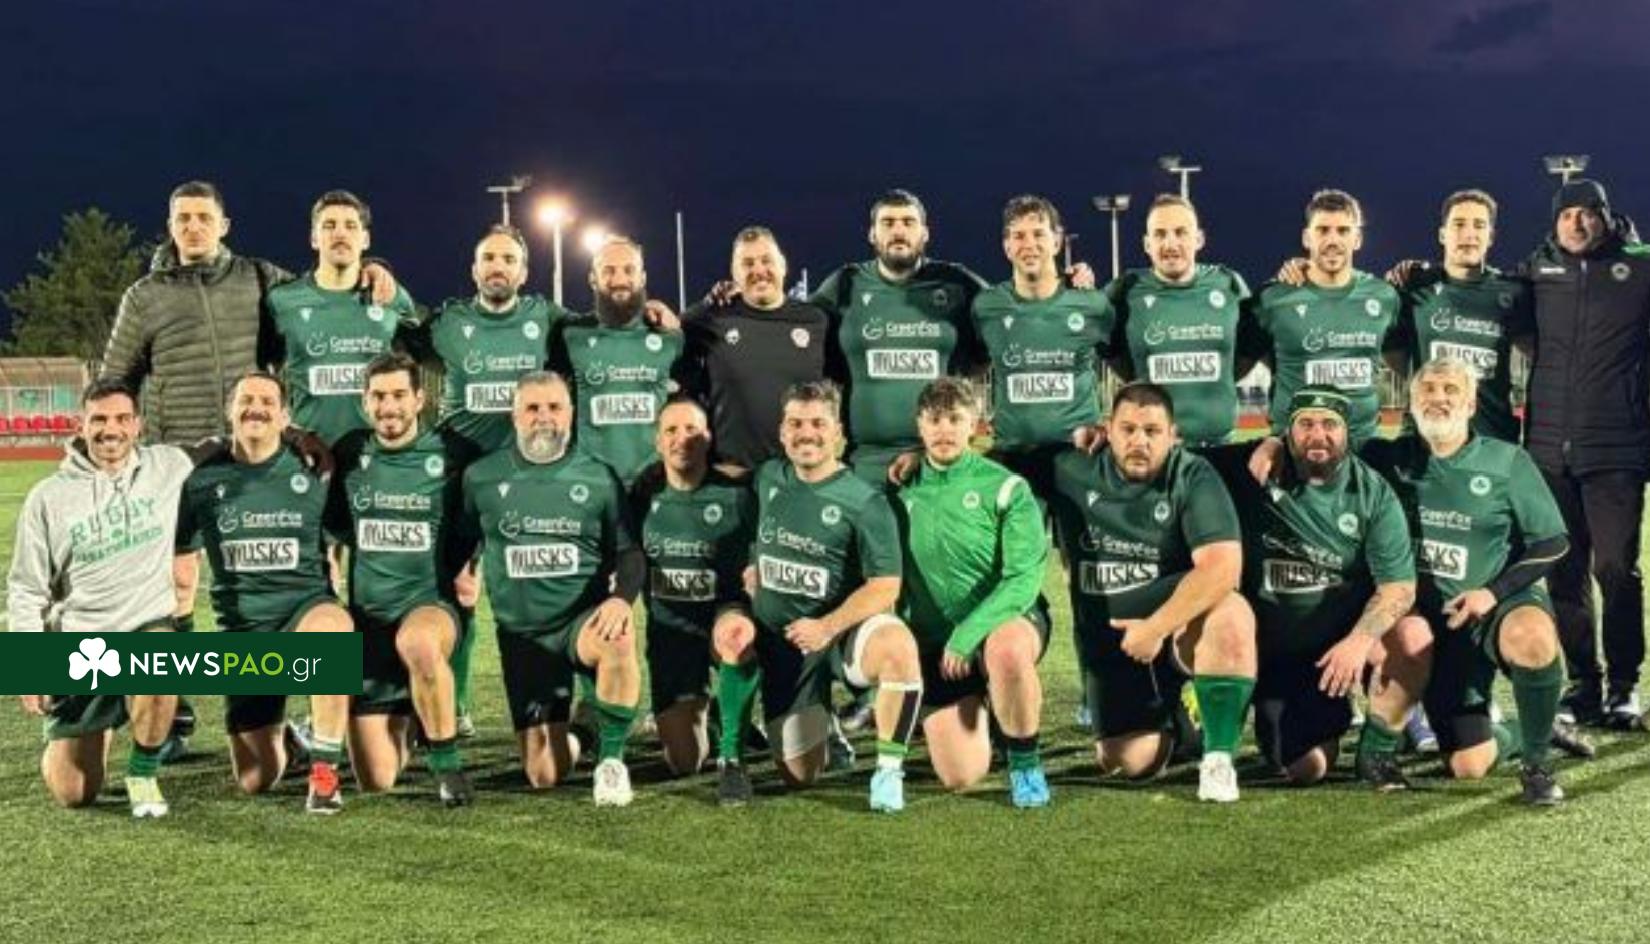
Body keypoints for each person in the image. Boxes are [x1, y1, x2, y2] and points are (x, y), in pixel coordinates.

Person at [1362, 358, 1573, 804]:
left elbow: (1553, 542)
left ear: (1472, 404)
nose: (1438, 398)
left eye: (1451, 390)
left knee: (1533, 637)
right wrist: (1272, 448)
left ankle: (1536, 762)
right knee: (1467, 765)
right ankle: (1377, 752)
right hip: (1425, 621)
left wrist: (1491, 593)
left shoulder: (1506, 461)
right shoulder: (1386, 460)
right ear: (1410, 404)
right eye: (1428, 390)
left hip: (1490, 609)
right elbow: (1320, 453)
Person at [711, 381, 924, 812]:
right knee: (800, 775)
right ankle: (750, 749)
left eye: (817, 424)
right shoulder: (769, 478)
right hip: (783, 643)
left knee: (897, 645)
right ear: (782, 431)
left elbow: (886, 585)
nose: (806, 433)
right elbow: (755, 532)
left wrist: (827, 626)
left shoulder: (866, 501)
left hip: (839, 634)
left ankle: (888, 771)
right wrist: (755, 565)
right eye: (796, 424)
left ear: (838, 432)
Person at [1204, 386, 1426, 787]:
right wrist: (1101, 436)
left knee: (1308, 767)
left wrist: (1358, 642)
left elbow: (1399, 588)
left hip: (1324, 655)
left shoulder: (1373, 494)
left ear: (1347, 432)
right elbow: (1172, 460)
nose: (1317, 435)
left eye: (1329, 425)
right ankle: (1194, 706)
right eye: (1305, 424)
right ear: (1287, 431)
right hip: (1255, 645)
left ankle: (1376, 748)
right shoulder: (1251, 466)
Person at [1049, 382, 1258, 801]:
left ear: (1173, 435)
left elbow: (1223, 567)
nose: (1139, 441)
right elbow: (993, 463)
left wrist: (1156, 627)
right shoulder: (1068, 467)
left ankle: (1218, 760)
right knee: (1129, 761)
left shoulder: (1193, 474)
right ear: (1107, 430)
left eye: (1152, 431)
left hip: (1175, 631)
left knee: (1231, 614)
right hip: (1111, 644)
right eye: (1128, 429)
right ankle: (1186, 719)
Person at [7, 379, 191, 816]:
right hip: (82, 646)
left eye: (122, 418)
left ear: (138, 425)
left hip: (146, 628)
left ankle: (143, 773)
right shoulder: (48, 498)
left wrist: (299, 438)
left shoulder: (169, 466)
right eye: (100, 419)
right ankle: (97, 726)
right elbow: (26, 588)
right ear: (81, 425)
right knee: (74, 793)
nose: (112, 429)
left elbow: (233, 445)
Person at [457, 371, 643, 805]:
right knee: (543, 774)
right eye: (533, 408)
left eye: (554, 407)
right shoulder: (481, 477)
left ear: (571, 414)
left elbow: (629, 551)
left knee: (618, 637)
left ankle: (612, 762)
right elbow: (459, 542)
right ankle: (587, 729)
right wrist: (461, 574)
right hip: (521, 636)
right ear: (514, 416)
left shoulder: (598, 477)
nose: (544, 417)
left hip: (580, 625)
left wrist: (621, 599)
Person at [173, 372, 355, 813]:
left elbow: (353, 532)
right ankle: (293, 741)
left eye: (267, 401)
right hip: (245, 635)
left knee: (331, 636)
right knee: (256, 778)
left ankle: (325, 776)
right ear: (230, 411)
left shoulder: (314, 467)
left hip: (305, 609)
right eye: (246, 400)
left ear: (285, 416)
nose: (256, 408)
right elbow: (178, 553)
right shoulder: (199, 480)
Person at [102, 180, 396, 444]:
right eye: (184, 218)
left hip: (248, 449)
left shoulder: (259, 276)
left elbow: (321, 289)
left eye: (204, 218)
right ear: (171, 226)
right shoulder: (143, 296)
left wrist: (369, 267)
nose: (194, 227)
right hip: (174, 454)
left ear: (224, 226)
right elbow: (114, 381)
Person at [1519, 179, 1650, 728]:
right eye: (1566, 214)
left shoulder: (1640, 266)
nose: (1576, 223)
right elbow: (1482, 297)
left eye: (1588, 213)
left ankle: (1624, 684)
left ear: (1606, 217)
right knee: (1564, 572)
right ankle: (1583, 685)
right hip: (1549, 450)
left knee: (1615, 567)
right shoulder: (1536, 270)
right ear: (1555, 222)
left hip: (1618, 447)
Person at [325, 352, 478, 806]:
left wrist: (469, 565)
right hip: (369, 621)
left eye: (398, 395)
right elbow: (336, 524)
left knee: (419, 644)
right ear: (364, 402)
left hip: (428, 607)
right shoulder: (349, 453)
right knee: (376, 778)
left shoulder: (454, 454)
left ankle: (447, 766)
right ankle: (416, 710)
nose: (388, 406)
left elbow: (481, 513)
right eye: (378, 396)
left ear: (419, 399)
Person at [897, 377, 1053, 807]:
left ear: (975, 425)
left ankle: (1025, 764)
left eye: (955, 419)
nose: (944, 430)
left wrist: (968, 635)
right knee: (960, 775)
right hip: (938, 643)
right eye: (934, 420)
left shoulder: (1006, 487)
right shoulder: (899, 486)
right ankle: (993, 704)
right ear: (919, 426)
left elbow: (1023, 578)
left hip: (1005, 621)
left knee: (1006, 651)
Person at [810, 189, 987, 488]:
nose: (898, 231)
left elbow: (1012, 312)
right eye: (888, 222)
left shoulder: (957, 283)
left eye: (908, 222)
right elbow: (792, 323)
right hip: (864, 464)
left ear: (925, 233)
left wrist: (1066, 285)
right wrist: (740, 302)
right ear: (872, 233)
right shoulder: (845, 284)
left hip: (940, 461)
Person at [630, 396, 757, 785]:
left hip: (724, 616)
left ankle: (732, 754)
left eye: (691, 429)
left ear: (708, 437)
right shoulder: (640, 498)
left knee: (737, 635)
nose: (681, 438)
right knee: (684, 761)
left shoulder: (738, 494)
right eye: (671, 430)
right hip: (671, 634)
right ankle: (714, 714)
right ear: (657, 441)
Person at [971, 195, 1114, 497]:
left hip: (1079, 456)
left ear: (1057, 241)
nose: (1029, 244)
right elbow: (971, 362)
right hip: (1013, 457)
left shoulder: (1093, 304)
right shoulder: (986, 307)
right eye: (1019, 236)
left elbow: (1125, 358)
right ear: (1006, 246)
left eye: (1038, 234)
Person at [1239, 190, 1402, 446]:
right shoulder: (1273, 300)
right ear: (1307, 238)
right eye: (1323, 230)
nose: (1333, 239)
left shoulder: (1385, 297)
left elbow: (1404, 363)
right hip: (1296, 448)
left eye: (1343, 231)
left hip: (1363, 447)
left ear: (1358, 239)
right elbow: (1237, 366)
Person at [262, 190, 418, 446]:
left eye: (350, 226)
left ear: (365, 239)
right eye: (329, 225)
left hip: (376, 452)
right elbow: (265, 368)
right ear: (314, 238)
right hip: (308, 452)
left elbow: (419, 363)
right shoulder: (281, 300)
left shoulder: (391, 296)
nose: (340, 234)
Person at [678, 226, 836, 472]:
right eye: (748, 263)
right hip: (733, 476)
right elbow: (668, 330)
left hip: (798, 475)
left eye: (766, 260)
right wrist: (707, 302)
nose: (759, 270)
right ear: (734, 274)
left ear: (783, 266)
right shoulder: (712, 318)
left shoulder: (815, 321)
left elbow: (837, 387)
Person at [1105, 194, 1254, 447]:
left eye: (1180, 232)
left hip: (1221, 447)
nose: (1170, 243)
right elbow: (1110, 354)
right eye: (1160, 234)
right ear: (1147, 244)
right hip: (1155, 453)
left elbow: (1247, 356)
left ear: (1199, 239)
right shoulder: (1124, 291)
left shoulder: (1230, 285)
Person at [548, 237, 683, 485]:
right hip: (589, 482)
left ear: (642, 278)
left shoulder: (669, 337)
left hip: (655, 482)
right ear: (592, 279)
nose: (620, 279)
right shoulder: (569, 334)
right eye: (608, 270)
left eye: (629, 270)